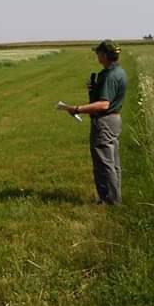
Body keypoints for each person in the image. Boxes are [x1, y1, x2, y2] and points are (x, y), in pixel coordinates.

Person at [66, 40, 127, 205]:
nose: (97, 55)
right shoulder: (119, 72)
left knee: (104, 163)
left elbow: (104, 104)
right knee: (113, 163)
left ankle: (109, 200)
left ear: (105, 55)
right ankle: (114, 197)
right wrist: (94, 90)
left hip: (104, 121)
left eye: (98, 53)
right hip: (114, 120)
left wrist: (77, 109)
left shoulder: (108, 75)